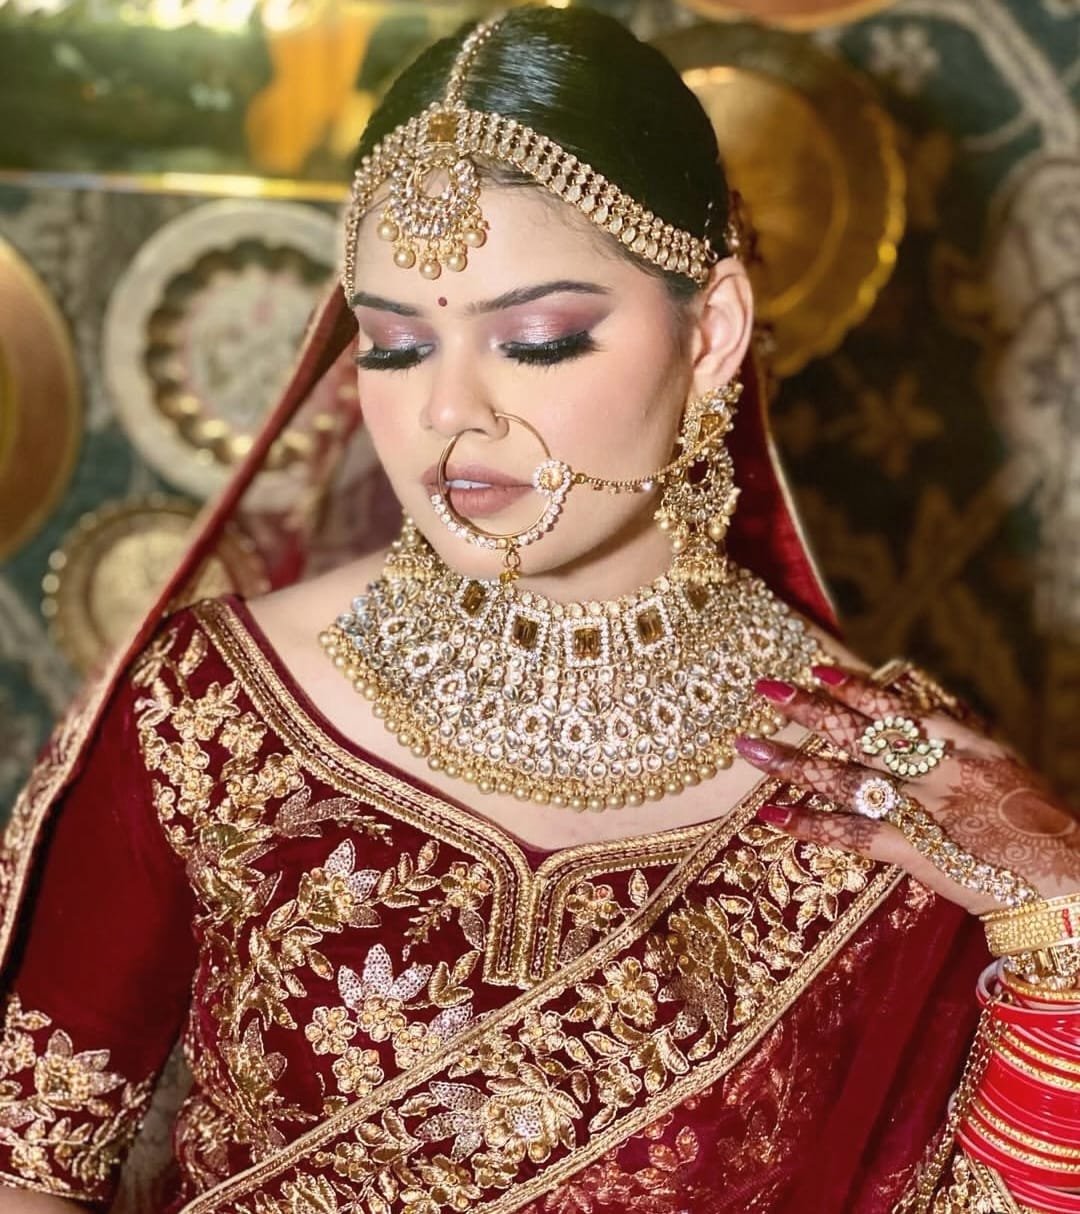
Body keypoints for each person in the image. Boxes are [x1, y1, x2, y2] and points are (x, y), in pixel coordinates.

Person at [1, 8, 1078, 1213]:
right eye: (395, 345)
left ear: (712, 332)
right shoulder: (209, 706)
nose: (448, 410)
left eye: (537, 338)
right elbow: (24, 1166)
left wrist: (1064, 937)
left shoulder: (885, 788)